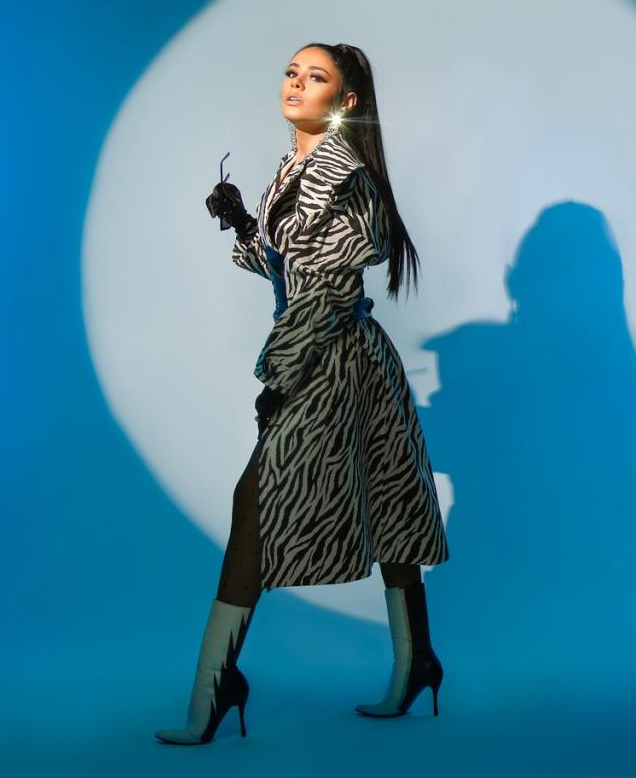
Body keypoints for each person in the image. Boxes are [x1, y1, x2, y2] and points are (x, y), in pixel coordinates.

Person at [154, 43, 451, 745]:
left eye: (315, 77)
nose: (295, 83)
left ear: (346, 101)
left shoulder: (343, 178)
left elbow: (330, 292)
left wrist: (282, 374)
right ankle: (417, 661)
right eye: (292, 71)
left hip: (331, 357)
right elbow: (293, 269)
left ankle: (215, 686)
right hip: (335, 353)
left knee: (257, 502)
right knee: (389, 498)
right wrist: (245, 226)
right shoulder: (296, 168)